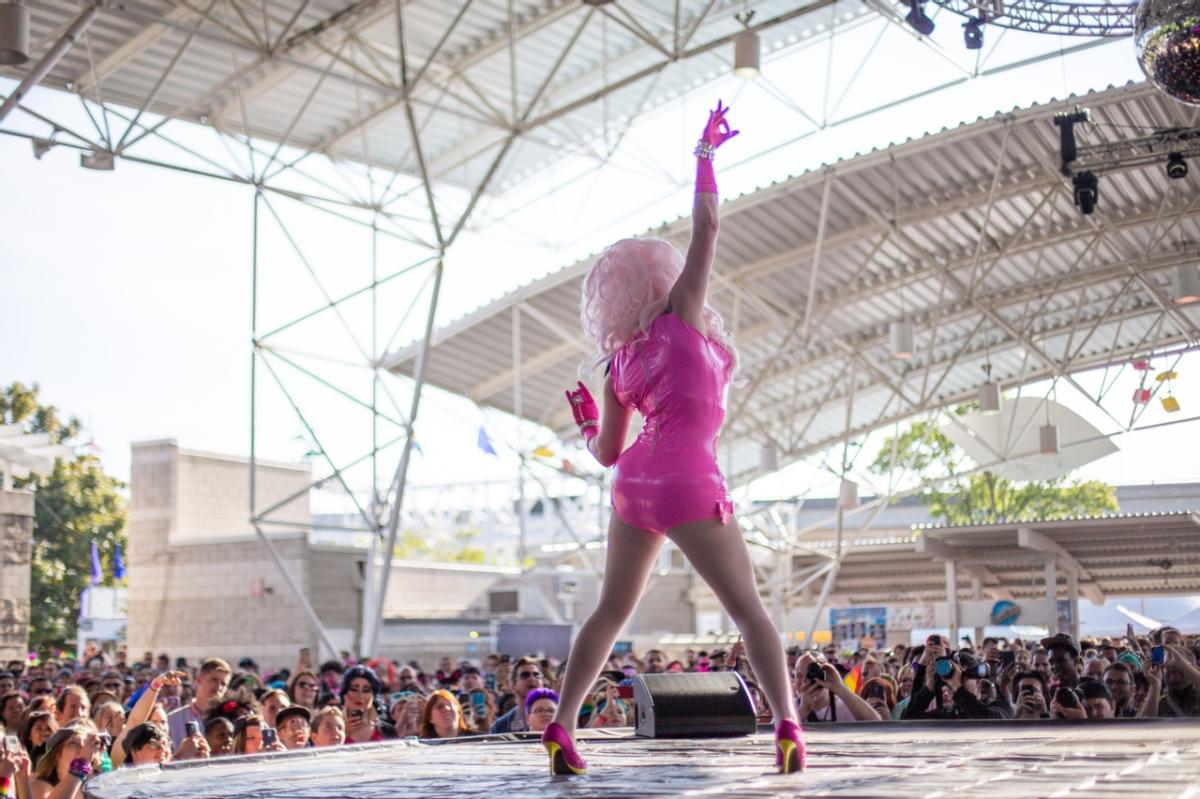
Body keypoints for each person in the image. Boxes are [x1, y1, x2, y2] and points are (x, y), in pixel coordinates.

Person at [547, 101, 801, 777]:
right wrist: (705, 153)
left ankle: (563, 724)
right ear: (662, 280)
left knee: (610, 609)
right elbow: (708, 225)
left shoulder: (619, 361)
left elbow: (604, 451)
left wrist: (582, 417)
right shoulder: (684, 316)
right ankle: (787, 725)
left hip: (634, 484)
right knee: (749, 610)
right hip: (691, 480)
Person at [794, 655, 880, 722]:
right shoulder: (790, 706)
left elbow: (876, 725)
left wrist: (840, 687)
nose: (804, 681)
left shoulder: (844, 705)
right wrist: (802, 713)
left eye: (810, 675)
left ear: (824, 675)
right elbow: (782, 738)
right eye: (799, 676)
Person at [167, 658, 230, 748]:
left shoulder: (229, 718)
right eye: (214, 680)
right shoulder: (173, 719)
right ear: (199, 680)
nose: (219, 687)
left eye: (223, 684)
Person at [30, 723, 105, 799]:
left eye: (86, 745)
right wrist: (81, 765)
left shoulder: (96, 789)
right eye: (73, 743)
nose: (83, 749)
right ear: (57, 754)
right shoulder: (38, 787)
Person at [340, 666, 397, 743]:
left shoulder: (388, 730)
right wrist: (341, 736)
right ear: (344, 693)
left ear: (373, 695)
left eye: (366, 690)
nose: (360, 695)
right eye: (354, 689)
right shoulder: (332, 729)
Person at [489, 657, 544, 734]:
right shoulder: (500, 727)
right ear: (513, 686)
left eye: (536, 675)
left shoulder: (557, 717)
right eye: (525, 675)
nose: (532, 678)